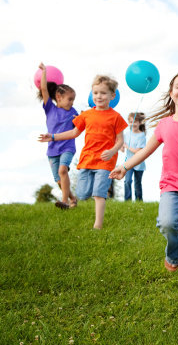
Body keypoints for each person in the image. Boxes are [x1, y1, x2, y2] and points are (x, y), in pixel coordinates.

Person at [109, 71, 178, 279]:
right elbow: (145, 151)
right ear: (171, 93)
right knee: (166, 222)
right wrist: (124, 167)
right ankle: (175, 251)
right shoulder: (164, 125)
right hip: (171, 186)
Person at [39, 75, 126, 229]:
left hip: (105, 161)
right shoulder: (86, 115)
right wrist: (52, 137)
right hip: (87, 160)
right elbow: (73, 133)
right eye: (96, 93)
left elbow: (120, 140)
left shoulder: (116, 117)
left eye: (103, 93)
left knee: (99, 194)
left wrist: (112, 151)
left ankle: (97, 225)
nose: (99, 96)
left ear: (112, 96)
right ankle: (95, 188)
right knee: (82, 194)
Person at [37, 62, 79, 210]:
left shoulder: (74, 113)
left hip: (68, 147)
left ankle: (65, 202)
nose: (72, 102)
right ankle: (72, 198)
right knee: (59, 180)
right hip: (52, 150)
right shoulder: (50, 109)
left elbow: (80, 128)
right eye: (70, 99)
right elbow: (43, 88)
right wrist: (44, 72)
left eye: (73, 99)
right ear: (59, 97)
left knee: (63, 171)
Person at [123, 112, 147, 202]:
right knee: (127, 181)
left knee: (137, 183)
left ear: (140, 123)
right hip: (128, 162)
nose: (133, 124)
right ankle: (127, 201)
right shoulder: (126, 134)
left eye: (135, 122)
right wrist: (120, 145)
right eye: (131, 122)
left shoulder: (142, 135)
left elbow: (138, 151)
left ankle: (139, 201)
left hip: (139, 163)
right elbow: (122, 148)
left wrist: (126, 146)